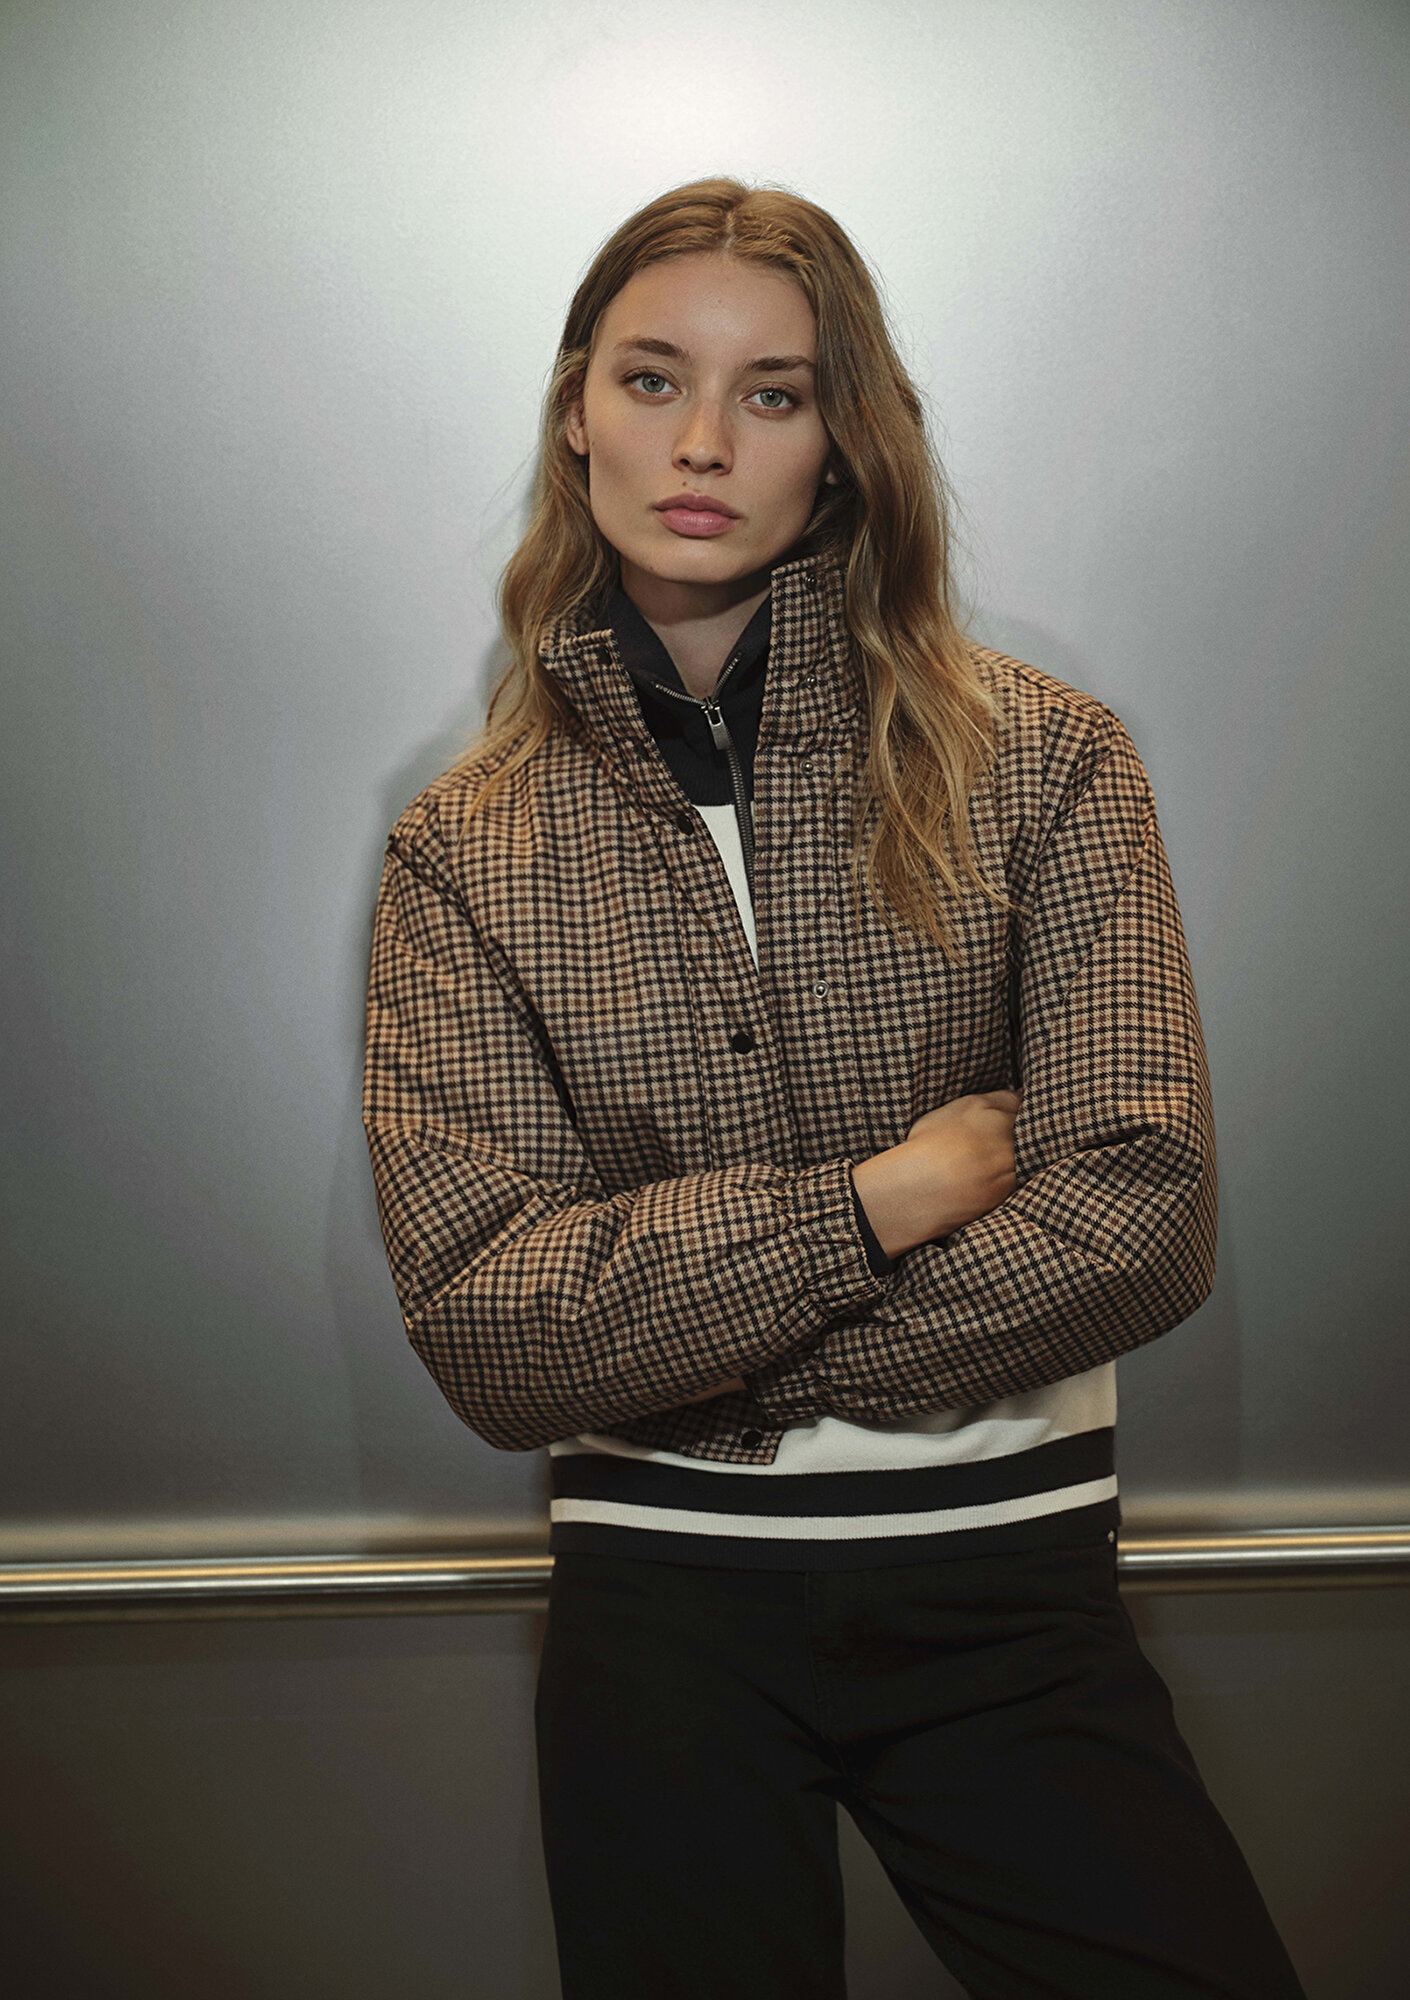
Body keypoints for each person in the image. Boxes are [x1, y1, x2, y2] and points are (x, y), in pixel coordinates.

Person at [362, 179, 1305, 1999]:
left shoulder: (1043, 761)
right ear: (576, 412)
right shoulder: (461, 846)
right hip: (658, 1628)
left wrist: (680, 1355)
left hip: (1007, 1592)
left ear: (844, 436)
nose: (702, 443)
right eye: (651, 379)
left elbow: (1137, 1215)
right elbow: (490, 1332)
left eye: (773, 393)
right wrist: (877, 1203)